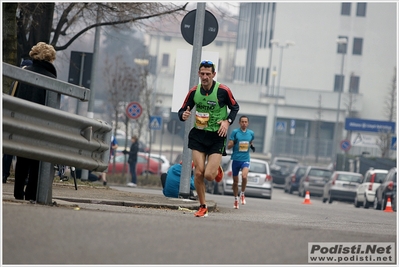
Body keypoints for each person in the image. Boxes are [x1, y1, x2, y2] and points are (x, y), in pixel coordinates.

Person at [178, 60, 239, 217]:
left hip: (217, 136)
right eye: (202, 74)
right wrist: (183, 115)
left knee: (209, 176)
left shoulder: (223, 91)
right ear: (199, 74)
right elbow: (183, 109)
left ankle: (216, 168)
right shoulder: (194, 92)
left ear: (213, 74)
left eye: (208, 74)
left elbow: (235, 107)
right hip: (199, 135)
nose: (205, 77)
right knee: (198, 173)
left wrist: (227, 121)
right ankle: (203, 206)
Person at [13, 42, 57, 201]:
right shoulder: (52, 79)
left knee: (22, 159)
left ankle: (18, 193)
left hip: (21, 123)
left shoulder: (23, 73)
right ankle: (32, 193)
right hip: (41, 127)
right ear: (51, 59)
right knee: (37, 161)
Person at [3, 59, 33, 184]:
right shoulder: (32, 81)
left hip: (13, 117)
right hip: (24, 119)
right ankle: (22, 177)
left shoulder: (16, 80)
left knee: (9, 149)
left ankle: (4, 174)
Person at [227, 115, 255, 209]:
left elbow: (250, 141)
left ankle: (242, 194)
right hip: (236, 159)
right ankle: (236, 199)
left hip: (245, 159)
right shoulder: (235, 132)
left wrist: (252, 146)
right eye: (242, 122)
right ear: (239, 123)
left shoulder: (251, 133)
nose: (244, 123)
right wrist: (232, 143)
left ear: (248, 123)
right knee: (235, 182)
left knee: (244, 176)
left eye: (245, 122)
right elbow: (229, 146)